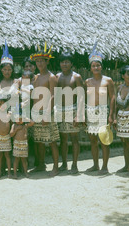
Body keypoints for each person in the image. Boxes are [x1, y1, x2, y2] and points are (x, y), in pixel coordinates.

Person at [30, 42, 60, 176]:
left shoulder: (51, 77)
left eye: (42, 61)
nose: (39, 63)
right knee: (39, 141)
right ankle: (41, 165)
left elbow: (53, 95)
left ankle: (56, 167)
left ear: (47, 62)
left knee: (52, 141)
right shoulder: (35, 78)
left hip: (48, 112)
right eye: (37, 61)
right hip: (36, 112)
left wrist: (47, 113)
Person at [85, 42, 115, 174]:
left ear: (101, 66)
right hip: (91, 111)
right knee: (93, 140)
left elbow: (112, 97)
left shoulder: (108, 81)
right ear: (90, 68)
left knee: (104, 140)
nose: (96, 67)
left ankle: (105, 166)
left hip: (103, 111)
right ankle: (95, 164)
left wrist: (111, 115)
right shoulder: (88, 82)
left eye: (98, 65)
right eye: (93, 65)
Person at [55, 51, 85, 173]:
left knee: (74, 139)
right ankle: (64, 163)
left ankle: (74, 164)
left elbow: (81, 96)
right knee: (63, 139)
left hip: (72, 109)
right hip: (60, 110)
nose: (64, 64)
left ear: (71, 63)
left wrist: (79, 114)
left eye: (67, 62)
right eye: (62, 62)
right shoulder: (57, 76)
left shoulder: (76, 77)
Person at [0, 40, 19, 122]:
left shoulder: (17, 82)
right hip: (0, 116)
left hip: (14, 116)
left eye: (9, 69)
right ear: (1, 70)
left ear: (12, 70)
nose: (7, 72)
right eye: (5, 69)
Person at [0, 97, 12, 178]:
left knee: (7, 156)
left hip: (7, 138)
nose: (1, 106)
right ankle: (0, 172)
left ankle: (9, 173)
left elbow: (12, 125)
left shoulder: (9, 114)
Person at [10, 114, 34, 178]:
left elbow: (32, 122)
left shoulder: (25, 126)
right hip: (16, 144)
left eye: (21, 119)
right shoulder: (14, 125)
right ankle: (15, 173)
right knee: (16, 159)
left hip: (24, 144)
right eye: (18, 119)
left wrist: (25, 118)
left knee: (24, 159)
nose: (19, 121)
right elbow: (11, 134)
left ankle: (25, 172)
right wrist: (16, 129)